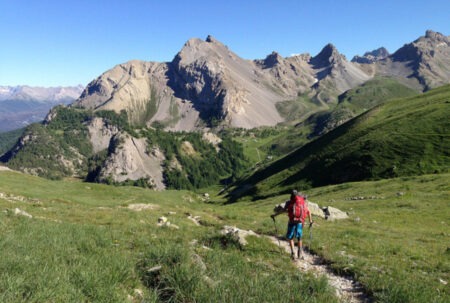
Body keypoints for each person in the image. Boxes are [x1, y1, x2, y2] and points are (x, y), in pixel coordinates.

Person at [271, 190, 313, 260]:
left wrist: (274, 215)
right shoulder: (303, 202)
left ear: (291, 195)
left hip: (292, 221)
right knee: (299, 237)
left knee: (290, 237)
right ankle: (300, 253)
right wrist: (310, 220)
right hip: (300, 221)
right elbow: (308, 211)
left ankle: (293, 253)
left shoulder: (289, 202)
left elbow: (283, 210)